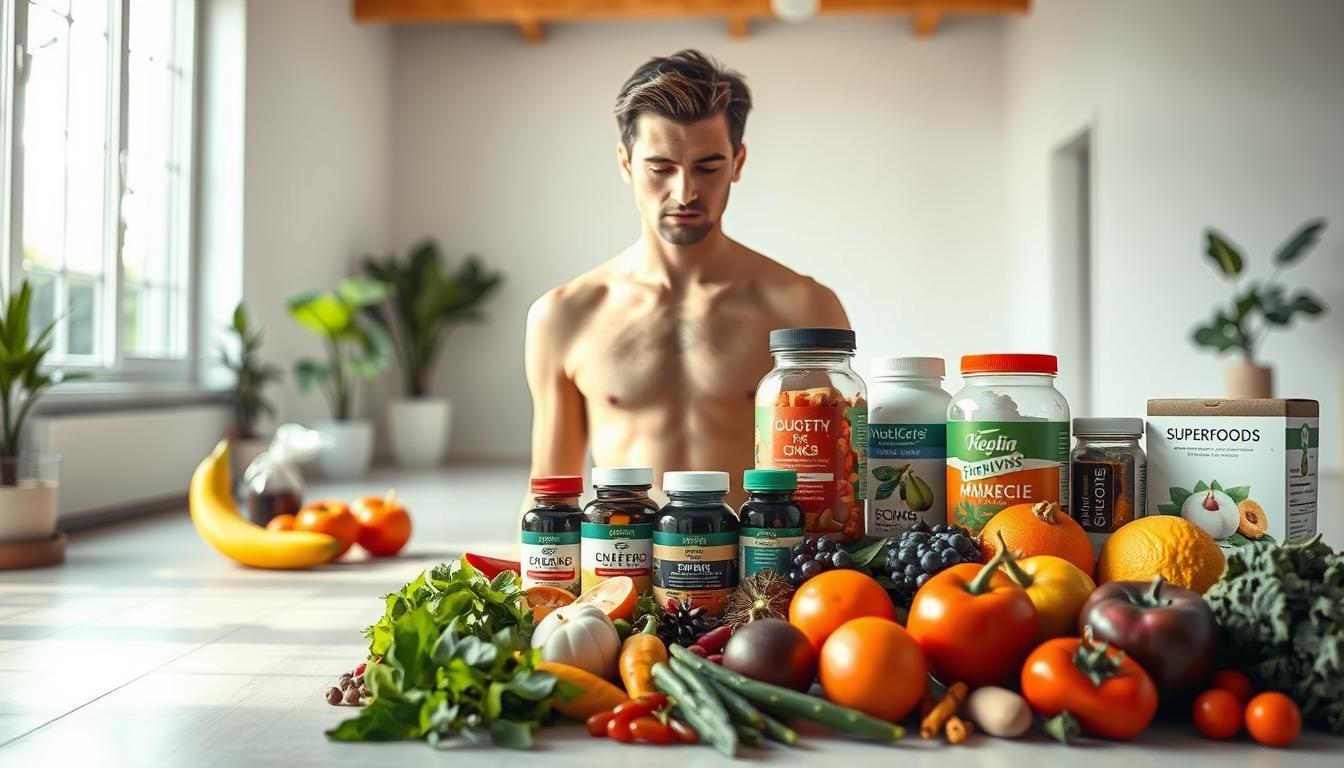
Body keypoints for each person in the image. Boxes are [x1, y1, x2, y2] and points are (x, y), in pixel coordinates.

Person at [524, 49, 849, 509]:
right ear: (625, 164)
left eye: (707, 167)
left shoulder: (802, 308)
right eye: (660, 168)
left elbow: (835, 488)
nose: (684, 191)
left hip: (763, 573)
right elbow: (549, 498)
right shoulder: (565, 316)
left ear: (737, 162)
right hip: (623, 567)